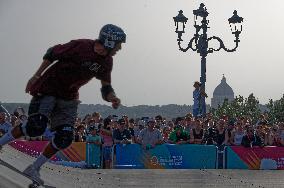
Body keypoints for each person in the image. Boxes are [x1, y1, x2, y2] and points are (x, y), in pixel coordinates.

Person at [0, 24, 126, 184]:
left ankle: (34, 168)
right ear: (109, 42)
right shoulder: (81, 46)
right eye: (118, 44)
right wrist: (36, 76)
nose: (120, 48)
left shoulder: (107, 62)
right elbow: (52, 53)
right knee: (35, 127)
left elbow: (106, 87)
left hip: (69, 98)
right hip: (49, 88)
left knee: (65, 137)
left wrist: (112, 97)